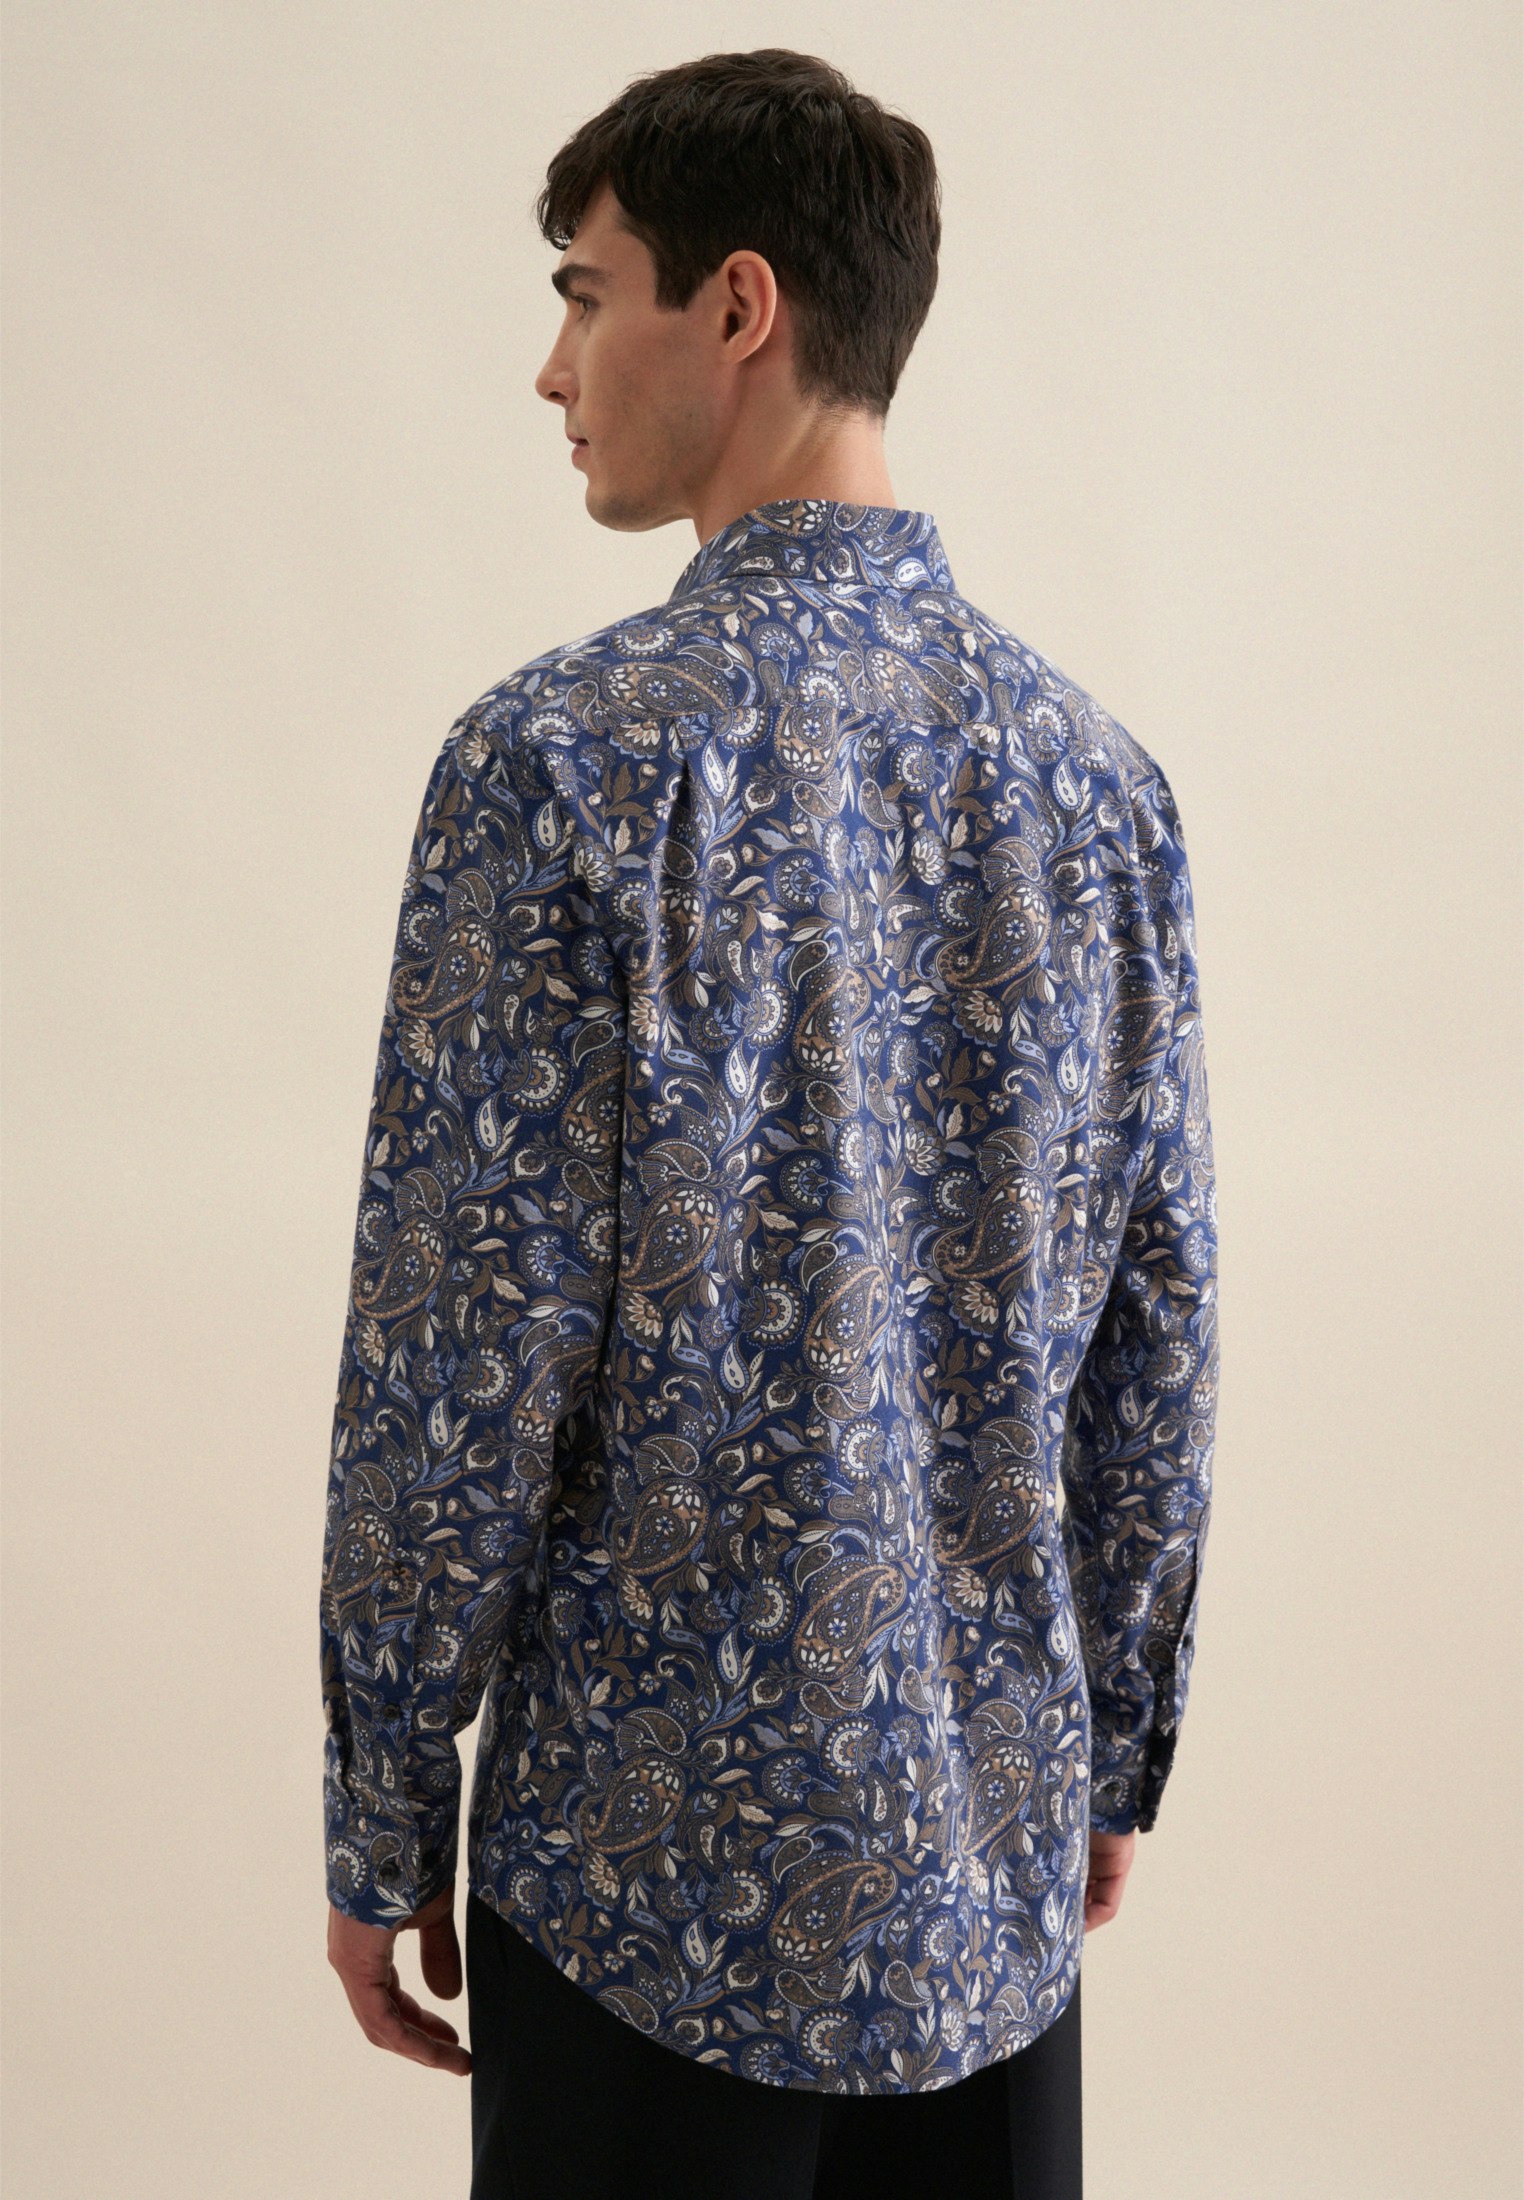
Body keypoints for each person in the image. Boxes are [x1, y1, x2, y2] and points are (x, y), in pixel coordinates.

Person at [319, 46, 1218, 2200]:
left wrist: (380, 1799)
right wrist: (1113, 1746)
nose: (553, 369)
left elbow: (461, 1359)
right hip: (985, 1873)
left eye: (584, 292)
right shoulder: (1099, 785)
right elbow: (1159, 1335)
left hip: (642, 1887)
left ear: (737, 306)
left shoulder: (562, 767)